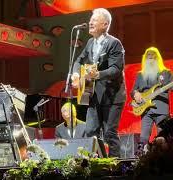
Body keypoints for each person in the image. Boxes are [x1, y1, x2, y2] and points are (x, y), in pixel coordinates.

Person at [71, 8, 126, 157]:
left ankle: (116, 167)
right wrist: (75, 76)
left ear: (105, 24)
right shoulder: (90, 42)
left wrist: (98, 74)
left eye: (94, 20)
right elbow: (79, 60)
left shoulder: (114, 43)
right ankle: (98, 164)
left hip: (112, 96)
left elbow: (116, 69)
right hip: (93, 95)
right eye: (91, 20)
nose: (90, 22)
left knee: (109, 133)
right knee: (90, 131)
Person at [131, 47, 172, 146]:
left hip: (161, 109)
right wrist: (135, 94)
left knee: (162, 137)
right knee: (143, 138)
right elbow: (133, 91)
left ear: (158, 58)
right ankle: (142, 158)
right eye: (148, 57)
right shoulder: (140, 75)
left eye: (153, 57)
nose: (150, 59)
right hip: (146, 110)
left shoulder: (166, 73)